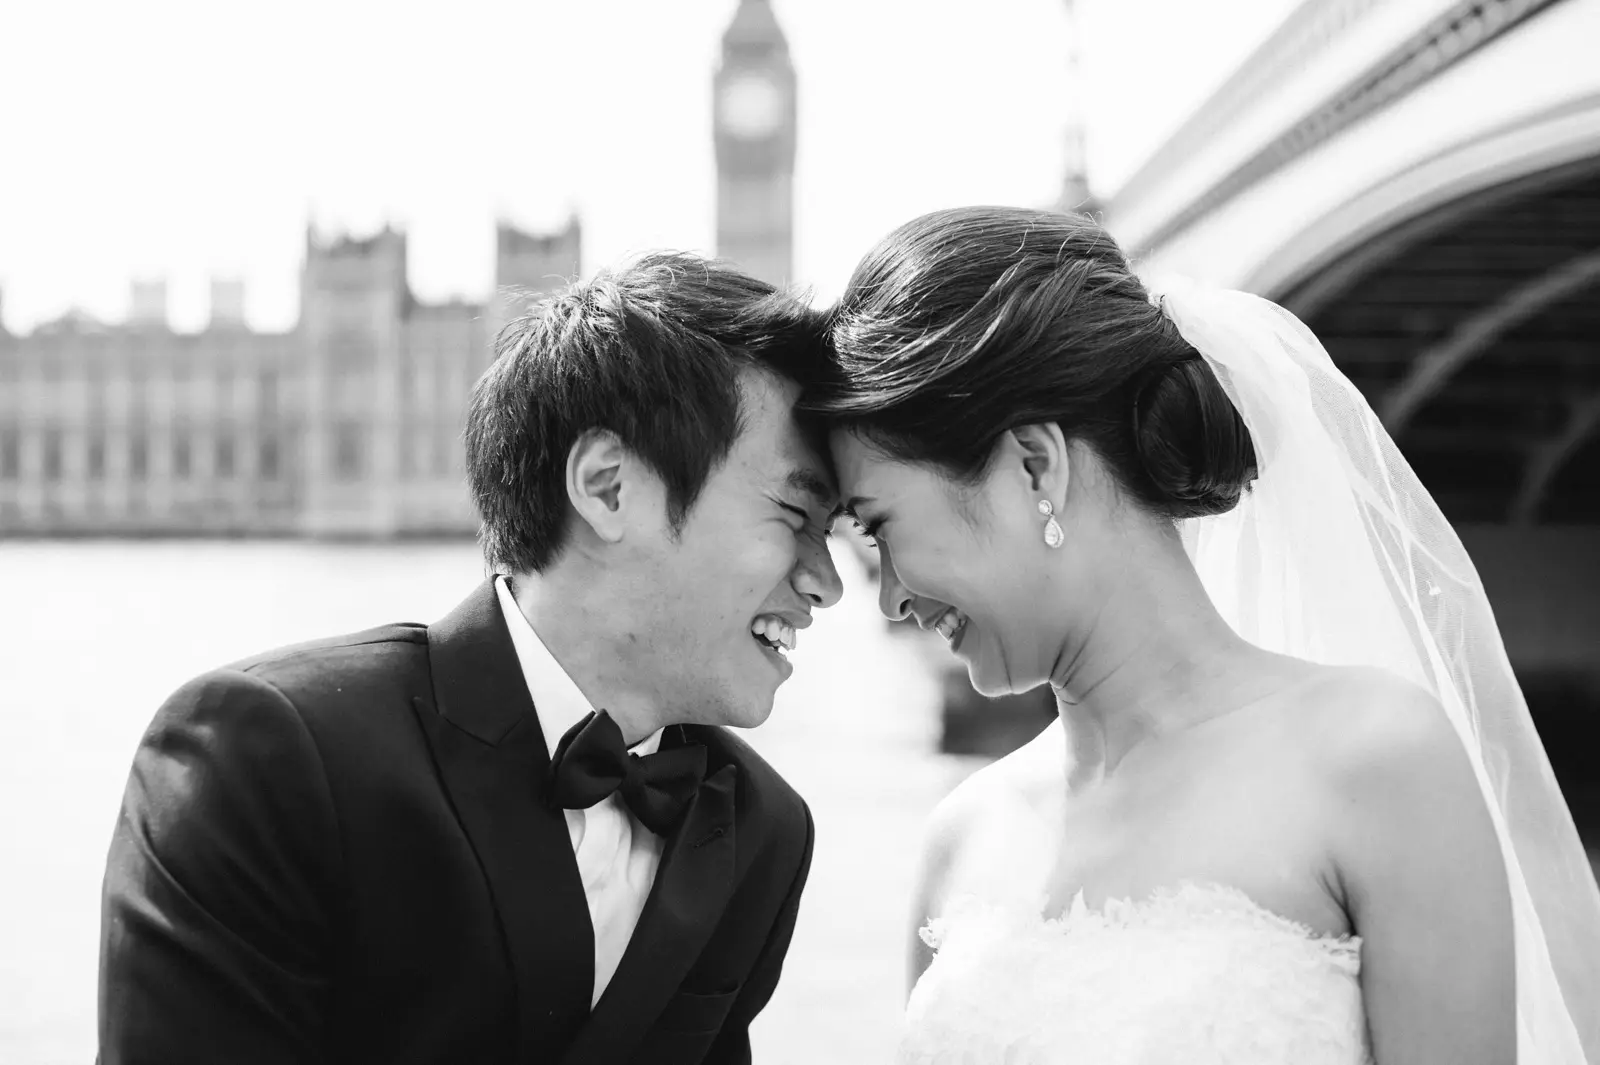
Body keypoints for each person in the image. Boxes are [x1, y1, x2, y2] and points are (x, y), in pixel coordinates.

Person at [808, 206, 1600, 1064]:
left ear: (1036, 464)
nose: (888, 598)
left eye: (880, 526)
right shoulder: (960, 835)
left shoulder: (1378, 762)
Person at [97, 252, 844, 1065]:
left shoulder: (763, 831)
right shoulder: (268, 758)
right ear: (607, 486)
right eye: (794, 512)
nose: (828, 581)